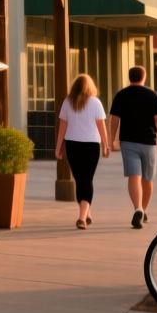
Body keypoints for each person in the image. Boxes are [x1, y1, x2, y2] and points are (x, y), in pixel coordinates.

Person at [109, 65, 157, 229]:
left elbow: (114, 120)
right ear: (144, 77)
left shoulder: (121, 95)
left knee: (134, 176)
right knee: (147, 179)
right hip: (148, 142)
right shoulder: (152, 95)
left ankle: (138, 208)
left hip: (127, 141)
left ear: (130, 77)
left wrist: (111, 140)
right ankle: (144, 210)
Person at [55, 73, 109, 230]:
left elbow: (62, 127)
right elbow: (101, 126)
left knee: (80, 180)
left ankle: (86, 213)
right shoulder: (95, 103)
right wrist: (106, 144)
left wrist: (58, 147)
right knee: (87, 180)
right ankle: (82, 218)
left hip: (72, 145)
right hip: (91, 145)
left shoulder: (67, 102)